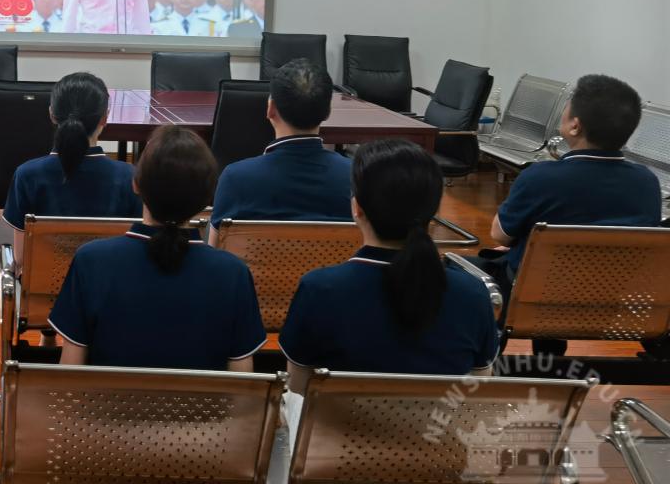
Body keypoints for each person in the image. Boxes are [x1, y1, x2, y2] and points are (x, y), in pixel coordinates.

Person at [280, 139, 500, 394]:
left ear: (356, 208)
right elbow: (478, 390)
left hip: (337, 420)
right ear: (433, 210)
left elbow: (298, 387)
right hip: (438, 421)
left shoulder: (319, 289)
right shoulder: (472, 293)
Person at [48, 125, 266, 371]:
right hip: (198, 400)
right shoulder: (233, 273)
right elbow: (243, 384)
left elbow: (70, 373)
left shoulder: (91, 261)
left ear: (135, 184)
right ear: (207, 198)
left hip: (109, 398)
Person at [490, 74, 661, 285]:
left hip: (536, 292)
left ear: (575, 126)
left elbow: (500, 235)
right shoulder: (647, 182)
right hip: (613, 296)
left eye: (566, 107)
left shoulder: (539, 177)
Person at [3, 72, 139, 266]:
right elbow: (133, 250)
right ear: (104, 118)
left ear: (52, 114)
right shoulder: (129, 176)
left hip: (44, 284)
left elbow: (21, 258)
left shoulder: (26, 175)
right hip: (107, 282)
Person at [209, 60, 350, 238]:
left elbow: (216, 248)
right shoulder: (355, 178)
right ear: (327, 112)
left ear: (270, 109)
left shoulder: (236, 178)